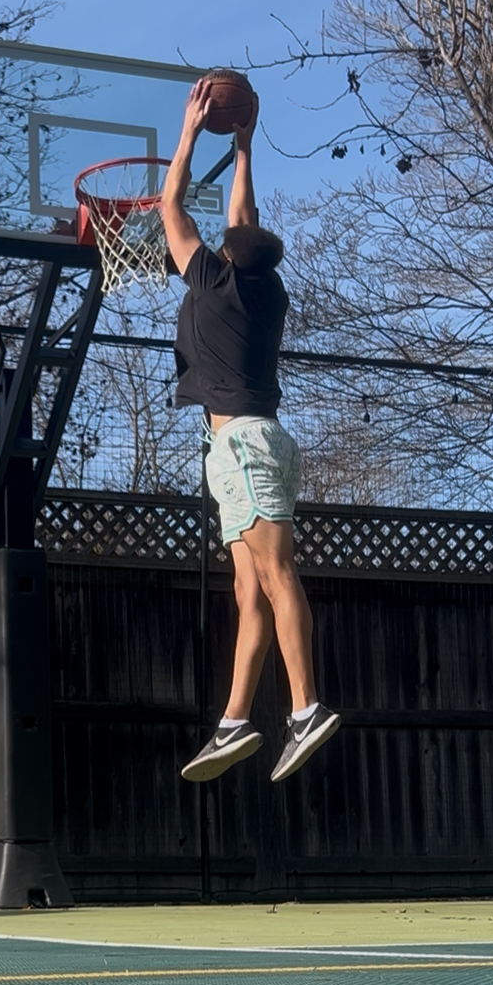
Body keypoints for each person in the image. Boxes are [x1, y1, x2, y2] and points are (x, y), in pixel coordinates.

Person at [161, 78, 340, 784]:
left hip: (244, 445)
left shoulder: (209, 279)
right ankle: (235, 719)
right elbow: (247, 214)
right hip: (255, 443)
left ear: (232, 254)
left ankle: (305, 708)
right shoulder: (267, 290)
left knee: (274, 572)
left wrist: (186, 132)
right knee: (249, 589)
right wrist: (242, 148)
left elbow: (170, 204)